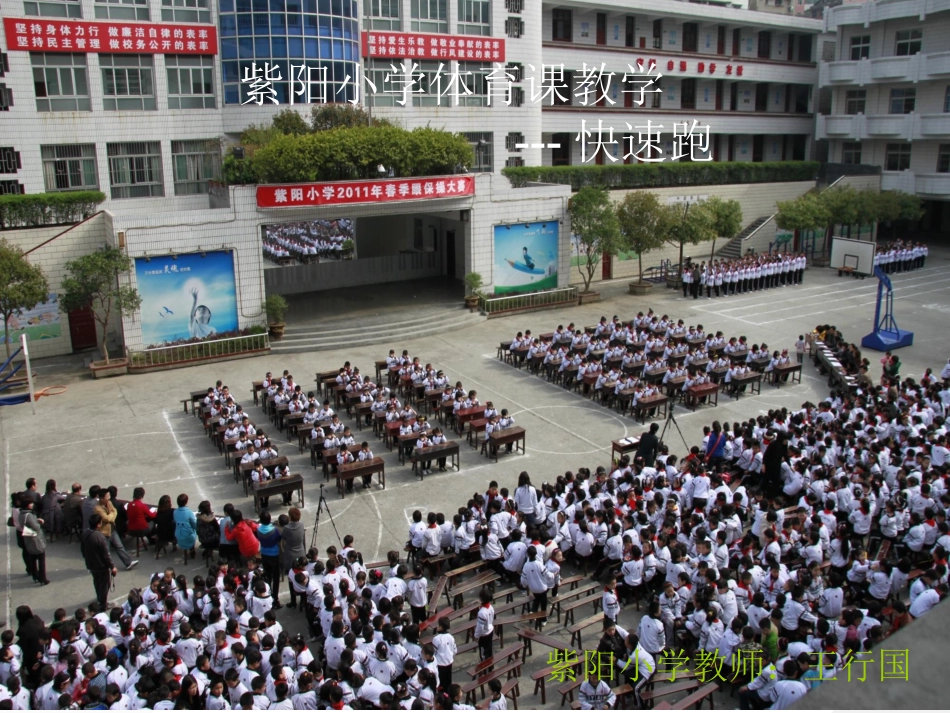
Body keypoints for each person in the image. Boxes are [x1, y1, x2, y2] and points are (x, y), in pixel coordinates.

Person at [93, 488, 138, 571]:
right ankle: (103, 566)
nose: (109, 498)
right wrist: (112, 516)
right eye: (107, 496)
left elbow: (115, 511)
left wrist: (111, 516)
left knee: (119, 547)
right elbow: (107, 519)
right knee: (105, 551)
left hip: (112, 529)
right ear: (102, 498)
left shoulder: (109, 503)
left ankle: (128, 563)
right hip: (104, 532)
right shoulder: (98, 508)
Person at [81, 513, 117, 609]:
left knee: (96, 581)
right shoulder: (99, 537)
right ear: (98, 524)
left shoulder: (85, 533)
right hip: (101, 565)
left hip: (91, 564)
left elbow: (82, 549)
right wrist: (112, 567)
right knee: (105, 584)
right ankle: (103, 604)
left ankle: (99, 598)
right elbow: (106, 555)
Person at [18, 496, 49, 585]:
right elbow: (36, 527)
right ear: (27, 505)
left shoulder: (21, 514)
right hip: (36, 540)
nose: (32, 505)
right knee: (41, 560)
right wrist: (39, 523)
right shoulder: (29, 515)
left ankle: (35, 576)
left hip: (28, 539)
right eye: (31, 503)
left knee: (32, 558)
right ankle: (43, 578)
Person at [173, 494, 198, 559]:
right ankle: (192, 550)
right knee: (195, 531)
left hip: (178, 536)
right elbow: (195, 525)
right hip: (188, 537)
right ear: (186, 502)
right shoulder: (189, 512)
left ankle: (192, 550)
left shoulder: (175, 512)